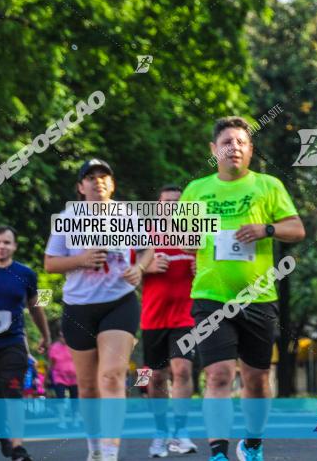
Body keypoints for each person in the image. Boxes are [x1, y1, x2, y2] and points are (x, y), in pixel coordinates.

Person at [180, 116, 305, 461]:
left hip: (259, 297)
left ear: (250, 150)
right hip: (210, 296)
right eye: (226, 142)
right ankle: (218, 452)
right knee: (218, 375)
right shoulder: (196, 190)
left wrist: (265, 229)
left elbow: (296, 229)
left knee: (256, 380)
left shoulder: (267, 186)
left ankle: (252, 442)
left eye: (240, 142)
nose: (233, 147)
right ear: (213, 150)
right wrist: (198, 243)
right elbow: (183, 239)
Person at [44, 159, 142, 461]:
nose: (97, 181)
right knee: (87, 387)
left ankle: (111, 453)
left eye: (104, 177)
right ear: (80, 187)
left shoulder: (128, 215)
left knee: (112, 375)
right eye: (90, 177)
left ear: (112, 184)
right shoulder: (66, 218)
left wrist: (140, 269)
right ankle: (95, 446)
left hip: (120, 302)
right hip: (79, 307)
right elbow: (50, 264)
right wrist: (81, 259)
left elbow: (149, 249)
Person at [137, 184, 198, 457]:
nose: (173, 206)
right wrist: (146, 268)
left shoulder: (195, 236)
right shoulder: (146, 237)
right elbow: (126, 276)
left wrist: (203, 269)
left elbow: (216, 272)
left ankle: (181, 431)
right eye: (168, 202)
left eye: (178, 202)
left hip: (186, 316)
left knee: (183, 370)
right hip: (153, 318)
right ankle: (161, 431)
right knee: (157, 376)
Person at [0, 224, 50, 461]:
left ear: (14, 246)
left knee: (13, 391)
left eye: (7, 242)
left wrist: (45, 336)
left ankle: (18, 447)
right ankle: (3, 434)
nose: (1, 247)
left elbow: (37, 308)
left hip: (13, 342)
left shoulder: (26, 274)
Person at [47, 322, 79, 430]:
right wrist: (47, 377)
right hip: (59, 376)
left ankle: (75, 419)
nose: (64, 337)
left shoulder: (75, 345)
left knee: (74, 399)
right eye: (62, 335)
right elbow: (51, 363)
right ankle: (62, 420)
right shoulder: (54, 347)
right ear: (59, 334)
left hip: (74, 377)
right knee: (60, 398)